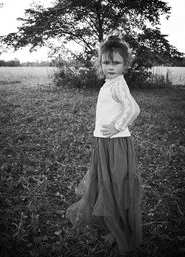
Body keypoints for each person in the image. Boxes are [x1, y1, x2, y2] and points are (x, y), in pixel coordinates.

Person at [66, 36, 142, 256]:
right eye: (106, 62)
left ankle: (120, 230)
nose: (110, 67)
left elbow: (133, 109)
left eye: (116, 62)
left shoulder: (118, 84)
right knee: (106, 183)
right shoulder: (111, 83)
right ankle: (111, 225)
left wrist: (117, 126)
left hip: (115, 143)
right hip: (105, 142)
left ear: (125, 64)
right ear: (100, 62)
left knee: (115, 185)